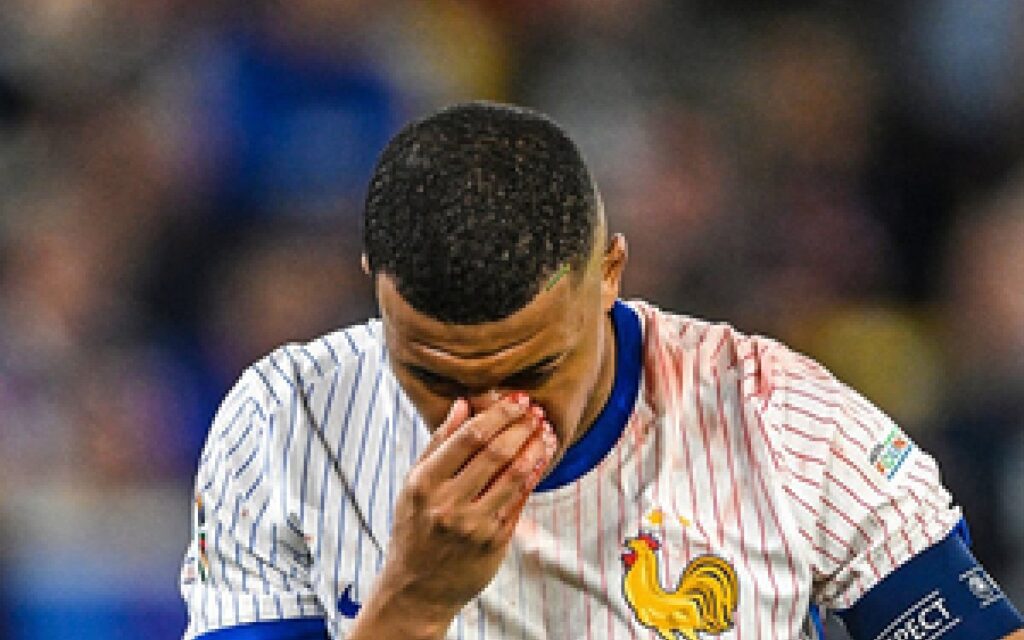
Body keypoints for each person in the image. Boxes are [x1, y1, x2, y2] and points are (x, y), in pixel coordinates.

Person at [180, 101, 1024, 640]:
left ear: (610, 272)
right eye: (434, 377)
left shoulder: (778, 418)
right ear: (375, 282)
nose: (485, 415)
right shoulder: (286, 420)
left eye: (536, 368)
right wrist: (412, 604)